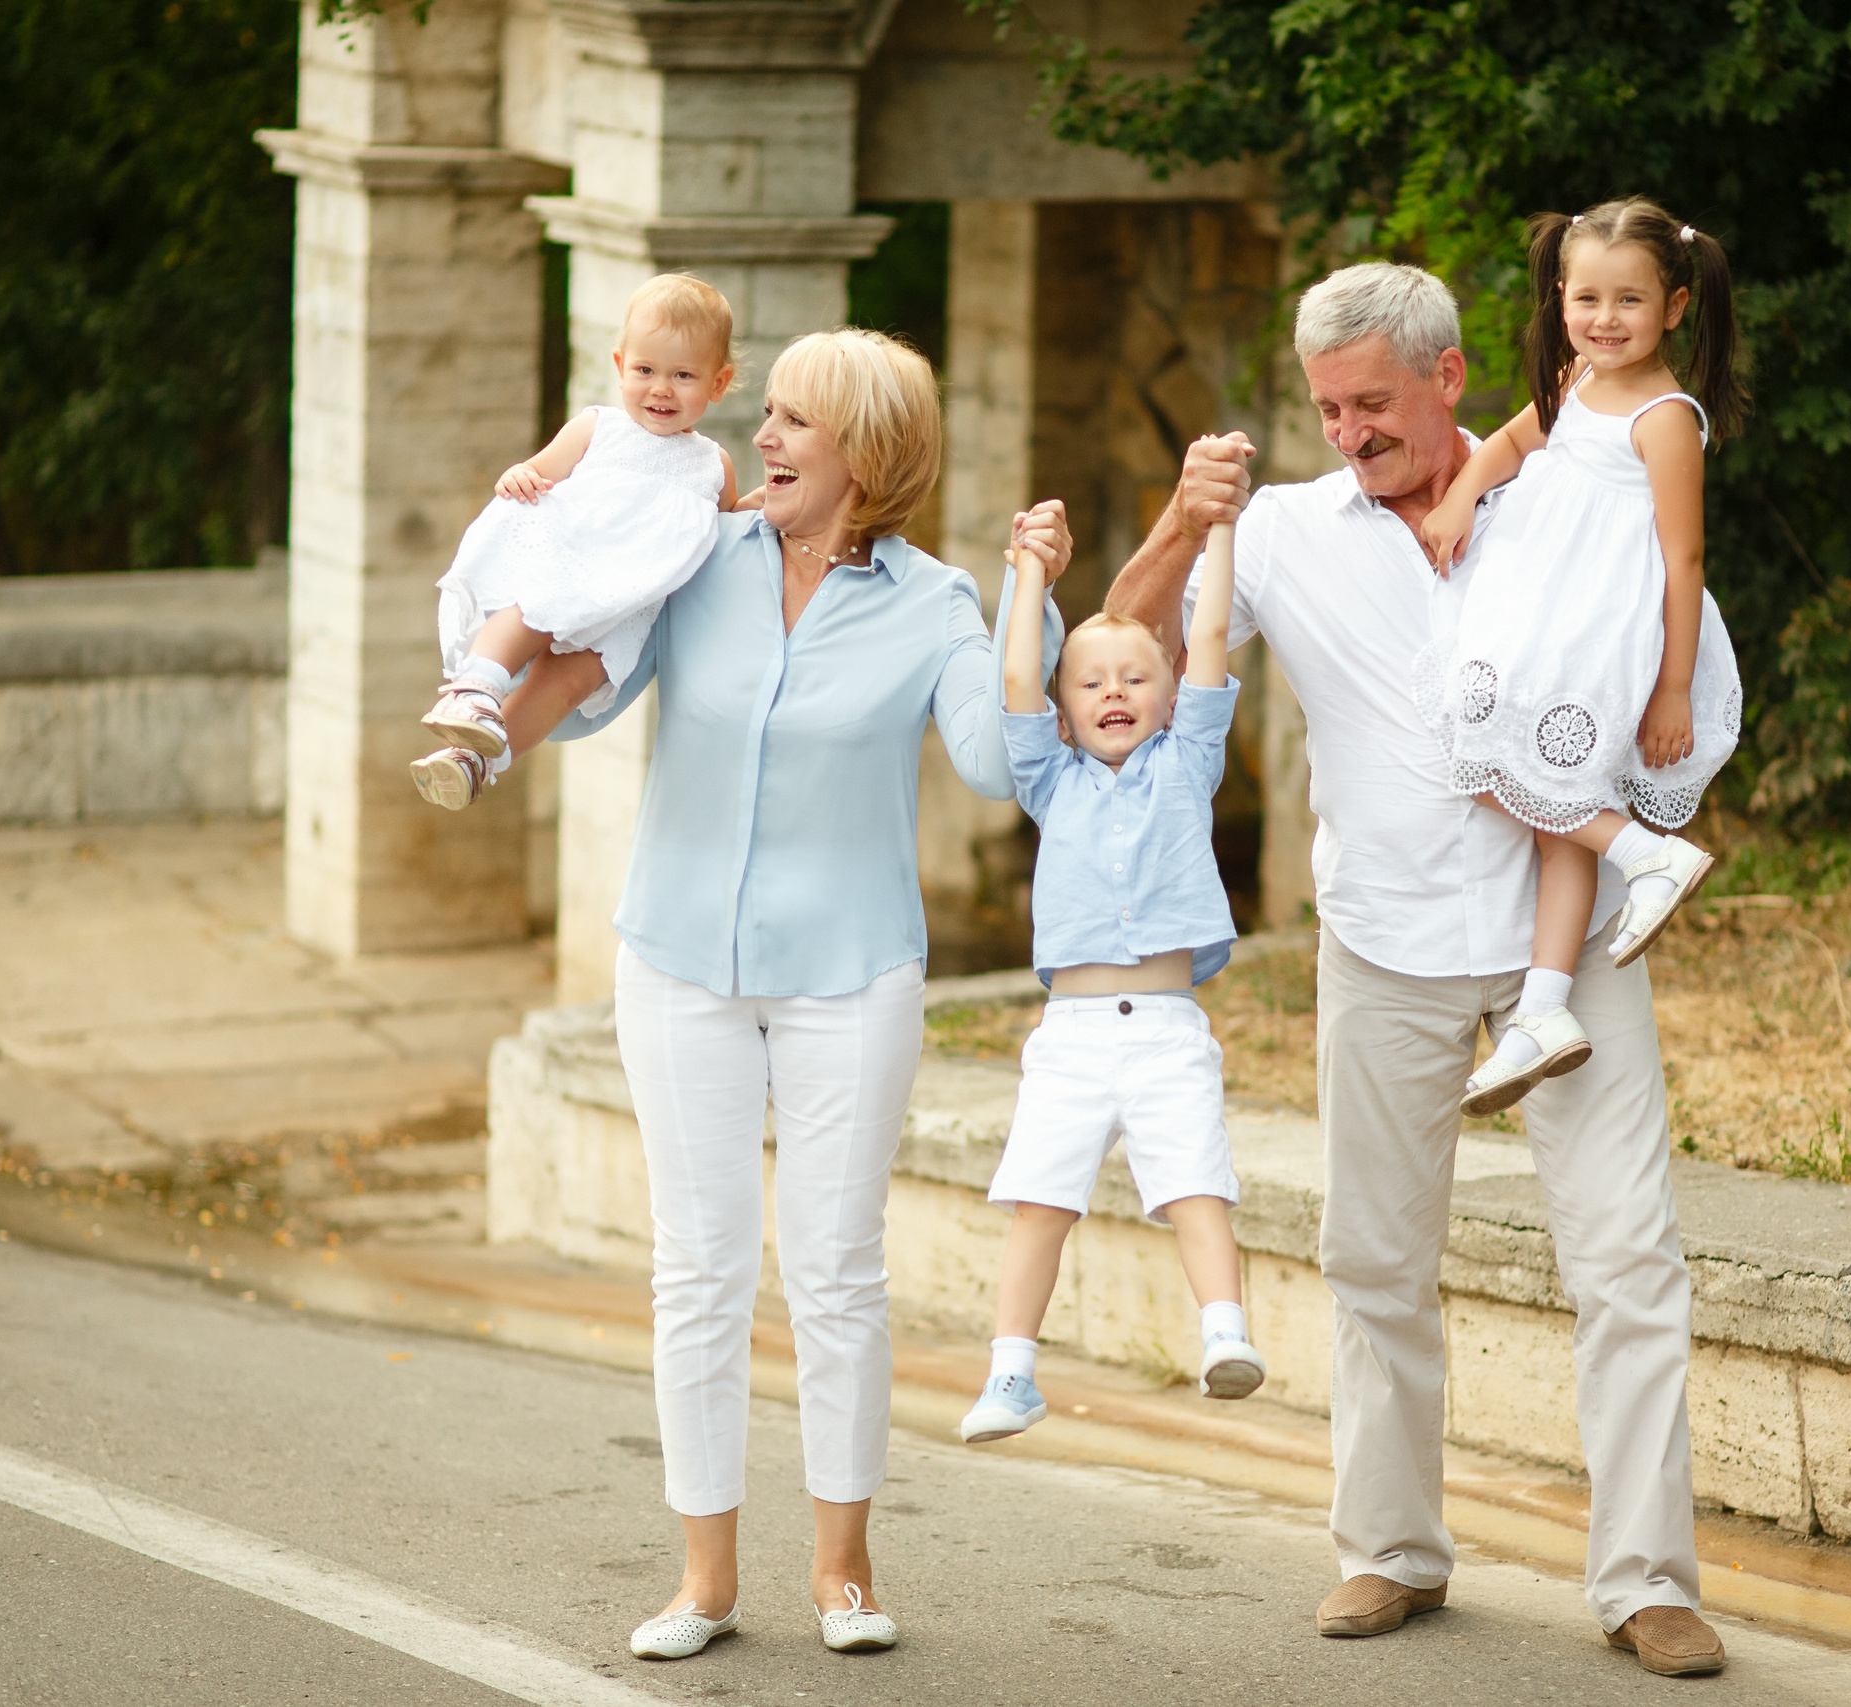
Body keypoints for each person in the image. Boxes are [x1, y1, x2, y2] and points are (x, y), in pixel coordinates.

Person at [1104, 263, 1727, 1678]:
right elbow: (1124, 659)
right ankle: (1388, 1550)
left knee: (1629, 1257)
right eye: (1327, 409)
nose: (1350, 433)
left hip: (1562, 940)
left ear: (1449, 379)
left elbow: (1666, 606)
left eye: (1373, 403)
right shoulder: (1281, 530)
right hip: (1381, 941)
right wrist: (1181, 522)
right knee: (1374, 1258)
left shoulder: (1564, 491)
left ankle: (1647, 1580)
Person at [545, 328, 1069, 1664]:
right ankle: (704, 1581)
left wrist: (1031, 596)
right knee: (698, 1268)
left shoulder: (936, 601)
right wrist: (529, 606)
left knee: (834, 1271)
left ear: (865, 456)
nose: (761, 439)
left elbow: (1000, 766)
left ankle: (843, 1569)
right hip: (679, 960)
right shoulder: (696, 558)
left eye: (792, 421)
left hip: (852, 973)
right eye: (765, 412)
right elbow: (588, 707)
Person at [1413, 198, 1746, 1116]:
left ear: (1674, 307)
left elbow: (1684, 557)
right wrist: (1462, 496)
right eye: (1585, 297)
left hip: (1596, 632)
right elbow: (1515, 440)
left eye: (1628, 301)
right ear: (1560, 296)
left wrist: (1672, 686)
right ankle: (1545, 1008)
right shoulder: (1575, 378)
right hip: (1540, 615)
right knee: (1556, 815)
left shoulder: (1666, 417)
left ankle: (1648, 854)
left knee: (1486, 760)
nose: (1604, 318)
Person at [957, 491, 1268, 1446]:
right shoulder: (1049, 780)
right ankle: (1012, 1373)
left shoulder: (1190, 763)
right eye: (1091, 683)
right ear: (1064, 709)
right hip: (1074, 1038)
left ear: (1171, 695)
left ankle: (1225, 1334)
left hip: (1168, 1029)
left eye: (1136, 677)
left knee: (1196, 1186)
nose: (1114, 692)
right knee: (1040, 1201)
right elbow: (1017, 674)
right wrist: (1027, 571)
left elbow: (1207, 634)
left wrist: (1222, 528)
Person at [411, 273, 748, 810]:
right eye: (645, 370)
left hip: (625, 605)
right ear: (620, 365)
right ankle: (476, 686)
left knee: (569, 682)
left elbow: (727, 533)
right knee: (530, 611)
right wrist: (519, 475)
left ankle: (476, 762)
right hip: (570, 565)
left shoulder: (712, 464)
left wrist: (763, 508)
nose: (661, 388)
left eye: (683, 375)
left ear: (718, 383)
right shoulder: (598, 428)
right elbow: (539, 472)